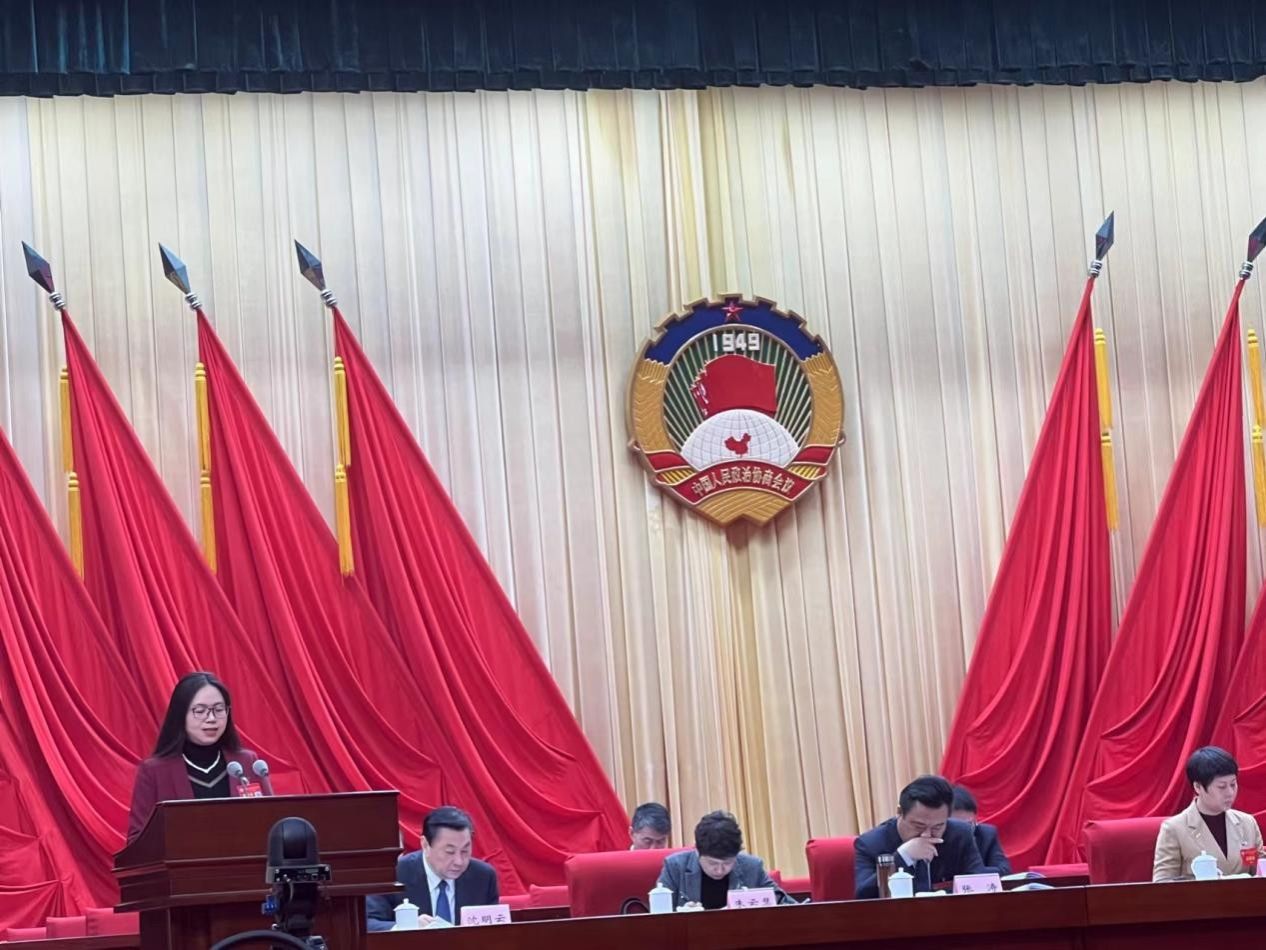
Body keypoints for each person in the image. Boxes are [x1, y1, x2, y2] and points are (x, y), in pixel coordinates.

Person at [127, 671, 269, 843]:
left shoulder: (246, 763)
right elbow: (138, 840)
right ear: (180, 715)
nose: (211, 718)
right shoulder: (155, 771)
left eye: (219, 710)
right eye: (200, 711)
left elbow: (272, 824)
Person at [366, 806, 499, 931]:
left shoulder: (483, 877)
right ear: (425, 845)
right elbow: (369, 924)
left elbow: (494, 929)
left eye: (465, 851)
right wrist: (406, 927)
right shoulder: (393, 874)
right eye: (449, 852)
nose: (459, 861)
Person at [854, 775, 986, 898]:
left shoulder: (960, 834)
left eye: (937, 827)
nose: (927, 834)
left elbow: (981, 886)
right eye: (919, 826)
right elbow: (863, 897)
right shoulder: (871, 843)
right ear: (899, 812)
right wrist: (903, 857)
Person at [1153, 746, 1264, 881]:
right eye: (1222, 787)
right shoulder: (1174, 829)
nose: (1230, 793)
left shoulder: (1247, 823)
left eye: (1233, 784)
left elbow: (1260, 870)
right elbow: (1162, 883)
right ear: (1198, 787)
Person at [657, 810, 793, 909]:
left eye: (728, 863)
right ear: (697, 851)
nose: (720, 870)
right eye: (712, 863)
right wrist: (682, 916)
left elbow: (787, 905)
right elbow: (658, 917)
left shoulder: (752, 867)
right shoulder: (675, 867)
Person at [951, 785, 1012, 875]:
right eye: (958, 825)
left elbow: (1004, 871)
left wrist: (973, 869)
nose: (964, 830)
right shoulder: (936, 836)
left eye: (968, 825)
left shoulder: (987, 835)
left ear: (975, 819)